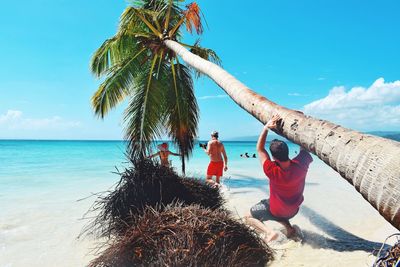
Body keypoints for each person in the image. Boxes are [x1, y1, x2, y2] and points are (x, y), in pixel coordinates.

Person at [245, 114, 313, 242]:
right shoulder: (301, 164)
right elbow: (303, 147)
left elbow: (260, 149)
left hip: (276, 210)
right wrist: (299, 124)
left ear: (274, 158)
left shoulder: (271, 170)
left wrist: (266, 128)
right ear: (287, 152)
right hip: (293, 210)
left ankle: (269, 233)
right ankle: (289, 229)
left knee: (247, 217)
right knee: (276, 204)